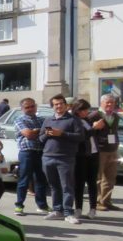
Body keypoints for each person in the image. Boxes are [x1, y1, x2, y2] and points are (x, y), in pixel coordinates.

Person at [39, 94, 84, 225]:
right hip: (47, 157)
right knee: (53, 186)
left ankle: (68, 213)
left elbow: (80, 137)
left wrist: (62, 134)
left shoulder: (73, 120)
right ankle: (57, 210)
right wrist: (47, 134)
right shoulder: (48, 120)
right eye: (55, 104)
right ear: (52, 107)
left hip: (65, 158)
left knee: (67, 186)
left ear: (65, 105)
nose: (58, 106)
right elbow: (40, 139)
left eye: (61, 104)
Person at [13, 98, 51, 217]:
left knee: (41, 180)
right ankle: (19, 205)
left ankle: (42, 205)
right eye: (27, 107)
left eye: (32, 106)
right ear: (22, 109)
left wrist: (36, 131)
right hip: (27, 152)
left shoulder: (42, 120)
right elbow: (28, 134)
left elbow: (47, 133)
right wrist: (40, 132)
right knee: (24, 179)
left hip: (40, 152)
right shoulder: (19, 120)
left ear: (36, 106)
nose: (30, 109)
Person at [71, 99, 100, 220]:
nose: (87, 112)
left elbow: (93, 135)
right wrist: (94, 128)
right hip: (81, 155)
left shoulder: (87, 119)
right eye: (84, 110)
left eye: (87, 109)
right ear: (78, 110)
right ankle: (78, 208)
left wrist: (95, 129)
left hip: (93, 153)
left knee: (92, 182)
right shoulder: (74, 121)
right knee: (79, 183)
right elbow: (81, 137)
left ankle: (93, 208)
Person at [94, 94, 123, 211]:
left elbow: (114, 132)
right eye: (108, 103)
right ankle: (96, 202)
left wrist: (116, 143)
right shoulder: (95, 115)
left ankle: (106, 201)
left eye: (112, 103)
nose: (110, 105)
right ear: (101, 103)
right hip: (100, 150)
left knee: (110, 177)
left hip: (112, 149)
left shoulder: (116, 116)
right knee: (98, 177)